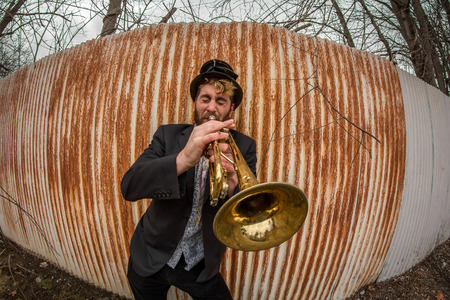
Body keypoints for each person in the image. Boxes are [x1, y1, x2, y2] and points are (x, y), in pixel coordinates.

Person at [121, 59, 257, 300]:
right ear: (196, 102)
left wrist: (234, 180)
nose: (212, 107)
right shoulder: (167, 135)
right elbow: (129, 186)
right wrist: (182, 160)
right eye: (205, 99)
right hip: (151, 256)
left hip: (201, 264)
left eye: (221, 101)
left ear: (231, 109)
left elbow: (249, 214)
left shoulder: (244, 146)